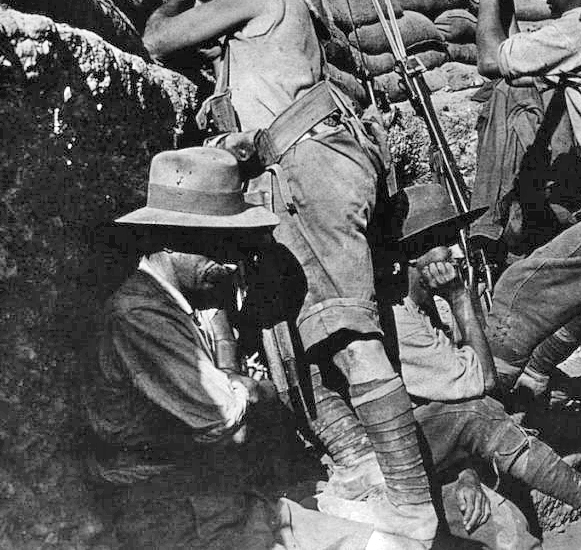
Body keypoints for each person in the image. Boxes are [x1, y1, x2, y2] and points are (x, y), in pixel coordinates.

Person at [141, 0, 437, 545]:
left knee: (345, 329)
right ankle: (359, 466)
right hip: (304, 168)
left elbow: (159, 41)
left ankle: (413, 504)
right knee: (293, 326)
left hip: (308, 170)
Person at [84, 146, 416, 550]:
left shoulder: (176, 303)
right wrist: (255, 388)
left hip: (213, 497)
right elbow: (221, 414)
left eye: (235, 247)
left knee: (388, 544)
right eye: (218, 246)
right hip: (171, 514)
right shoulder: (140, 316)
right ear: (167, 240)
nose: (230, 263)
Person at [381, 184, 581, 540]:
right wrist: (458, 297)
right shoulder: (401, 321)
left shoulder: (426, 308)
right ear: (413, 256)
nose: (455, 251)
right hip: (398, 458)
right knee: (515, 295)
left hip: (434, 444)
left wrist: (466, 471)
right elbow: (481, 386)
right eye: (444, 241)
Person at [472, 0, 581, 406]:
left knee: (518, 290)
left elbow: (493, 61)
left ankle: (489, 406)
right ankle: (533, 381)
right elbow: (522, 61)